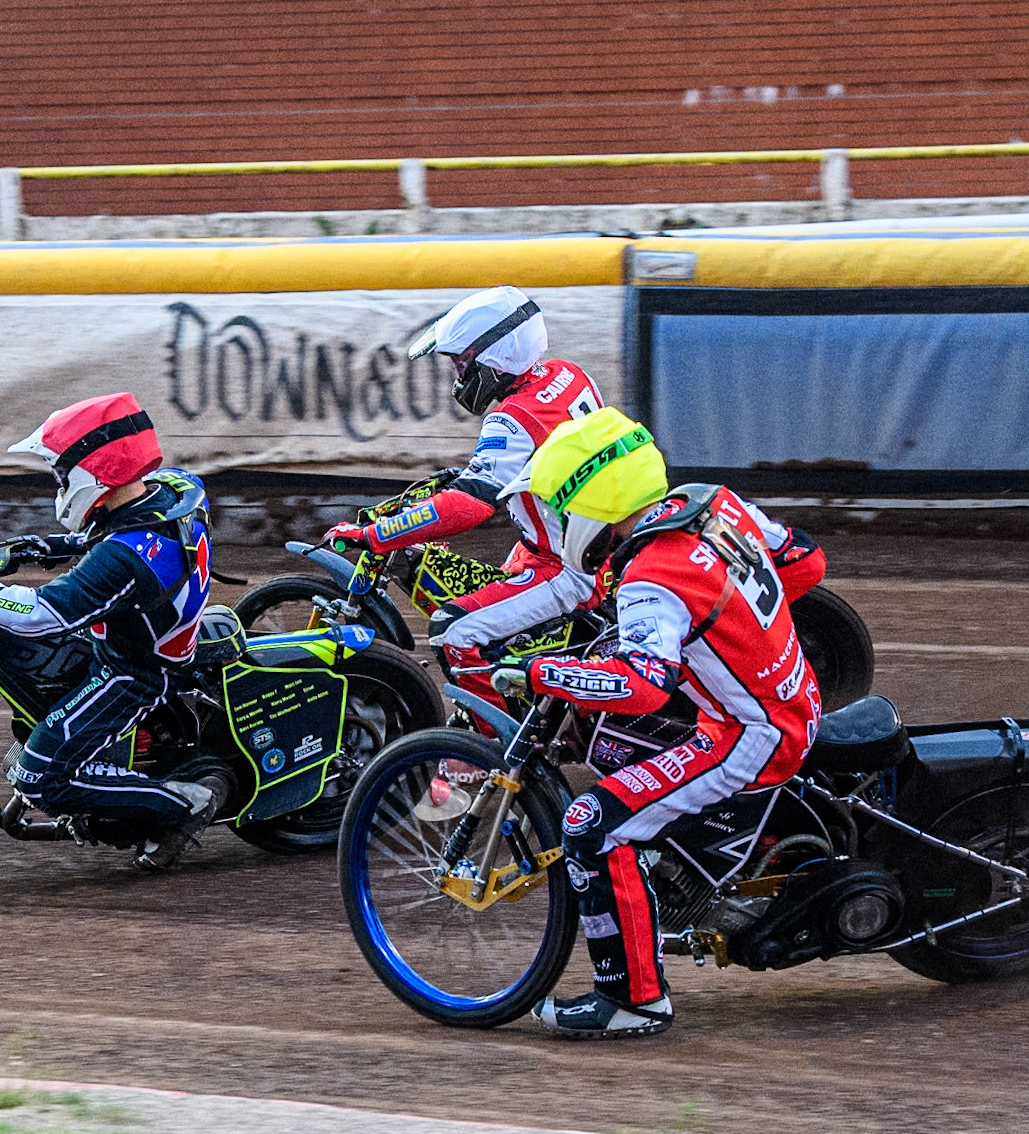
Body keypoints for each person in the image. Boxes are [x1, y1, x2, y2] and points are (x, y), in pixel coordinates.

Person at [487, 407, 827, 1038]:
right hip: (791, 693)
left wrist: (541, 673)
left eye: (562, 511)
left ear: (593, 505)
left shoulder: (648, 579)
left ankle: (634, 1001)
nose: (559, 527)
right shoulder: (715, 505)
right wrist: (733, 630)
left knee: (591, 825)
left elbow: (641, 686)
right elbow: (806, 562)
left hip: (749, 735)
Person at [0, 391, 226, 869]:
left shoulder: (123, 558)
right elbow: (120, 527)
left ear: (93, 471)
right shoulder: (176, 491)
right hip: (152, 633)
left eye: (61, 473)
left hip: (134, 671)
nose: (57, 482)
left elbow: (40, 614)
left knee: (38, 779)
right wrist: (45, 546)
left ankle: (184, 804)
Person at [321, 286, 607, 711]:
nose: (459, 376)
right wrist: (461, 477)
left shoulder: (511, 418)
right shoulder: (567, 375)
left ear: (498, 356)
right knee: (498, 605)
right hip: (586, 541)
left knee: (453, 629)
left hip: (563, 566)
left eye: (462, 363)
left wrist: (376, 534)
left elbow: (470, 506)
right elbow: (538, 458)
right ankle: (533, 700)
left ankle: (489, 754)